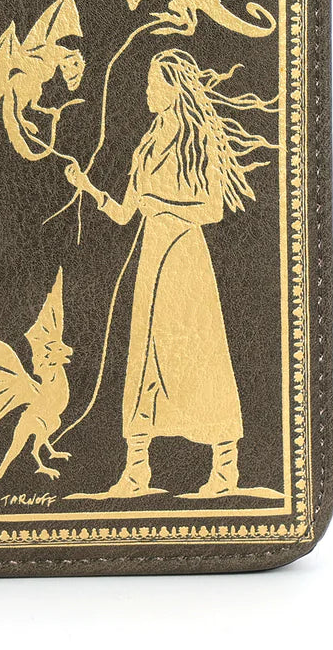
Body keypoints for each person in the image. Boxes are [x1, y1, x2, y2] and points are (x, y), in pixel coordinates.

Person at [64, 48, 282, 500]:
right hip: (151, 260)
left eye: (153, 83)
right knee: (144, 357)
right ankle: (136, 472)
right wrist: (88, 187)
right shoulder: (146, 145)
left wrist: (162, 206)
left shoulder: (200, 142)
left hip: (185, 261)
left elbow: (212, 209)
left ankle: (225, 470)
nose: (147, 90)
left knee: (200, 356)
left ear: (174, 89)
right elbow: (126, 214)